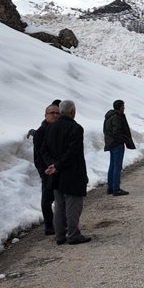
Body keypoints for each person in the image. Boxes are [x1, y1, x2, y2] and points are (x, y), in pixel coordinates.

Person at [42, 100, 91, 245]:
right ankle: (73, 234)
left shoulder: (50, 127)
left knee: (59, 205)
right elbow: (73, 152)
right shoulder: (75, 128)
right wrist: (58, 165)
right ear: (72, 112)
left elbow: (43, 150)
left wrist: (52, 165)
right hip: (72, 173)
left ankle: (60, 235)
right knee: (73, 205)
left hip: (56, 174)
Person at [31, 102, 61, 235]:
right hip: (46, 170)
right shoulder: (41, 131)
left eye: (57, 113)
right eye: (52, 113)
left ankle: (59, 223)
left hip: (59, 168)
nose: (55, 115)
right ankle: (49, 226)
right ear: (45, 115)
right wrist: (44, 170)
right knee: (47, 197)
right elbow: (38, 154)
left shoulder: (59, 128)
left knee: (58, 196)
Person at [104, 99, 136, 196]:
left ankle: (111, 187)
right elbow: (117, 132)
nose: (124, 108)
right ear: (120, 107)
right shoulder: (117, 117)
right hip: (117, 144)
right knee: (117, 166)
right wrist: (122, 141)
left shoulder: (109, 117)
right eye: (123, 106)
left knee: (113, 165)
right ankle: (116, 189)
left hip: (111, 144)